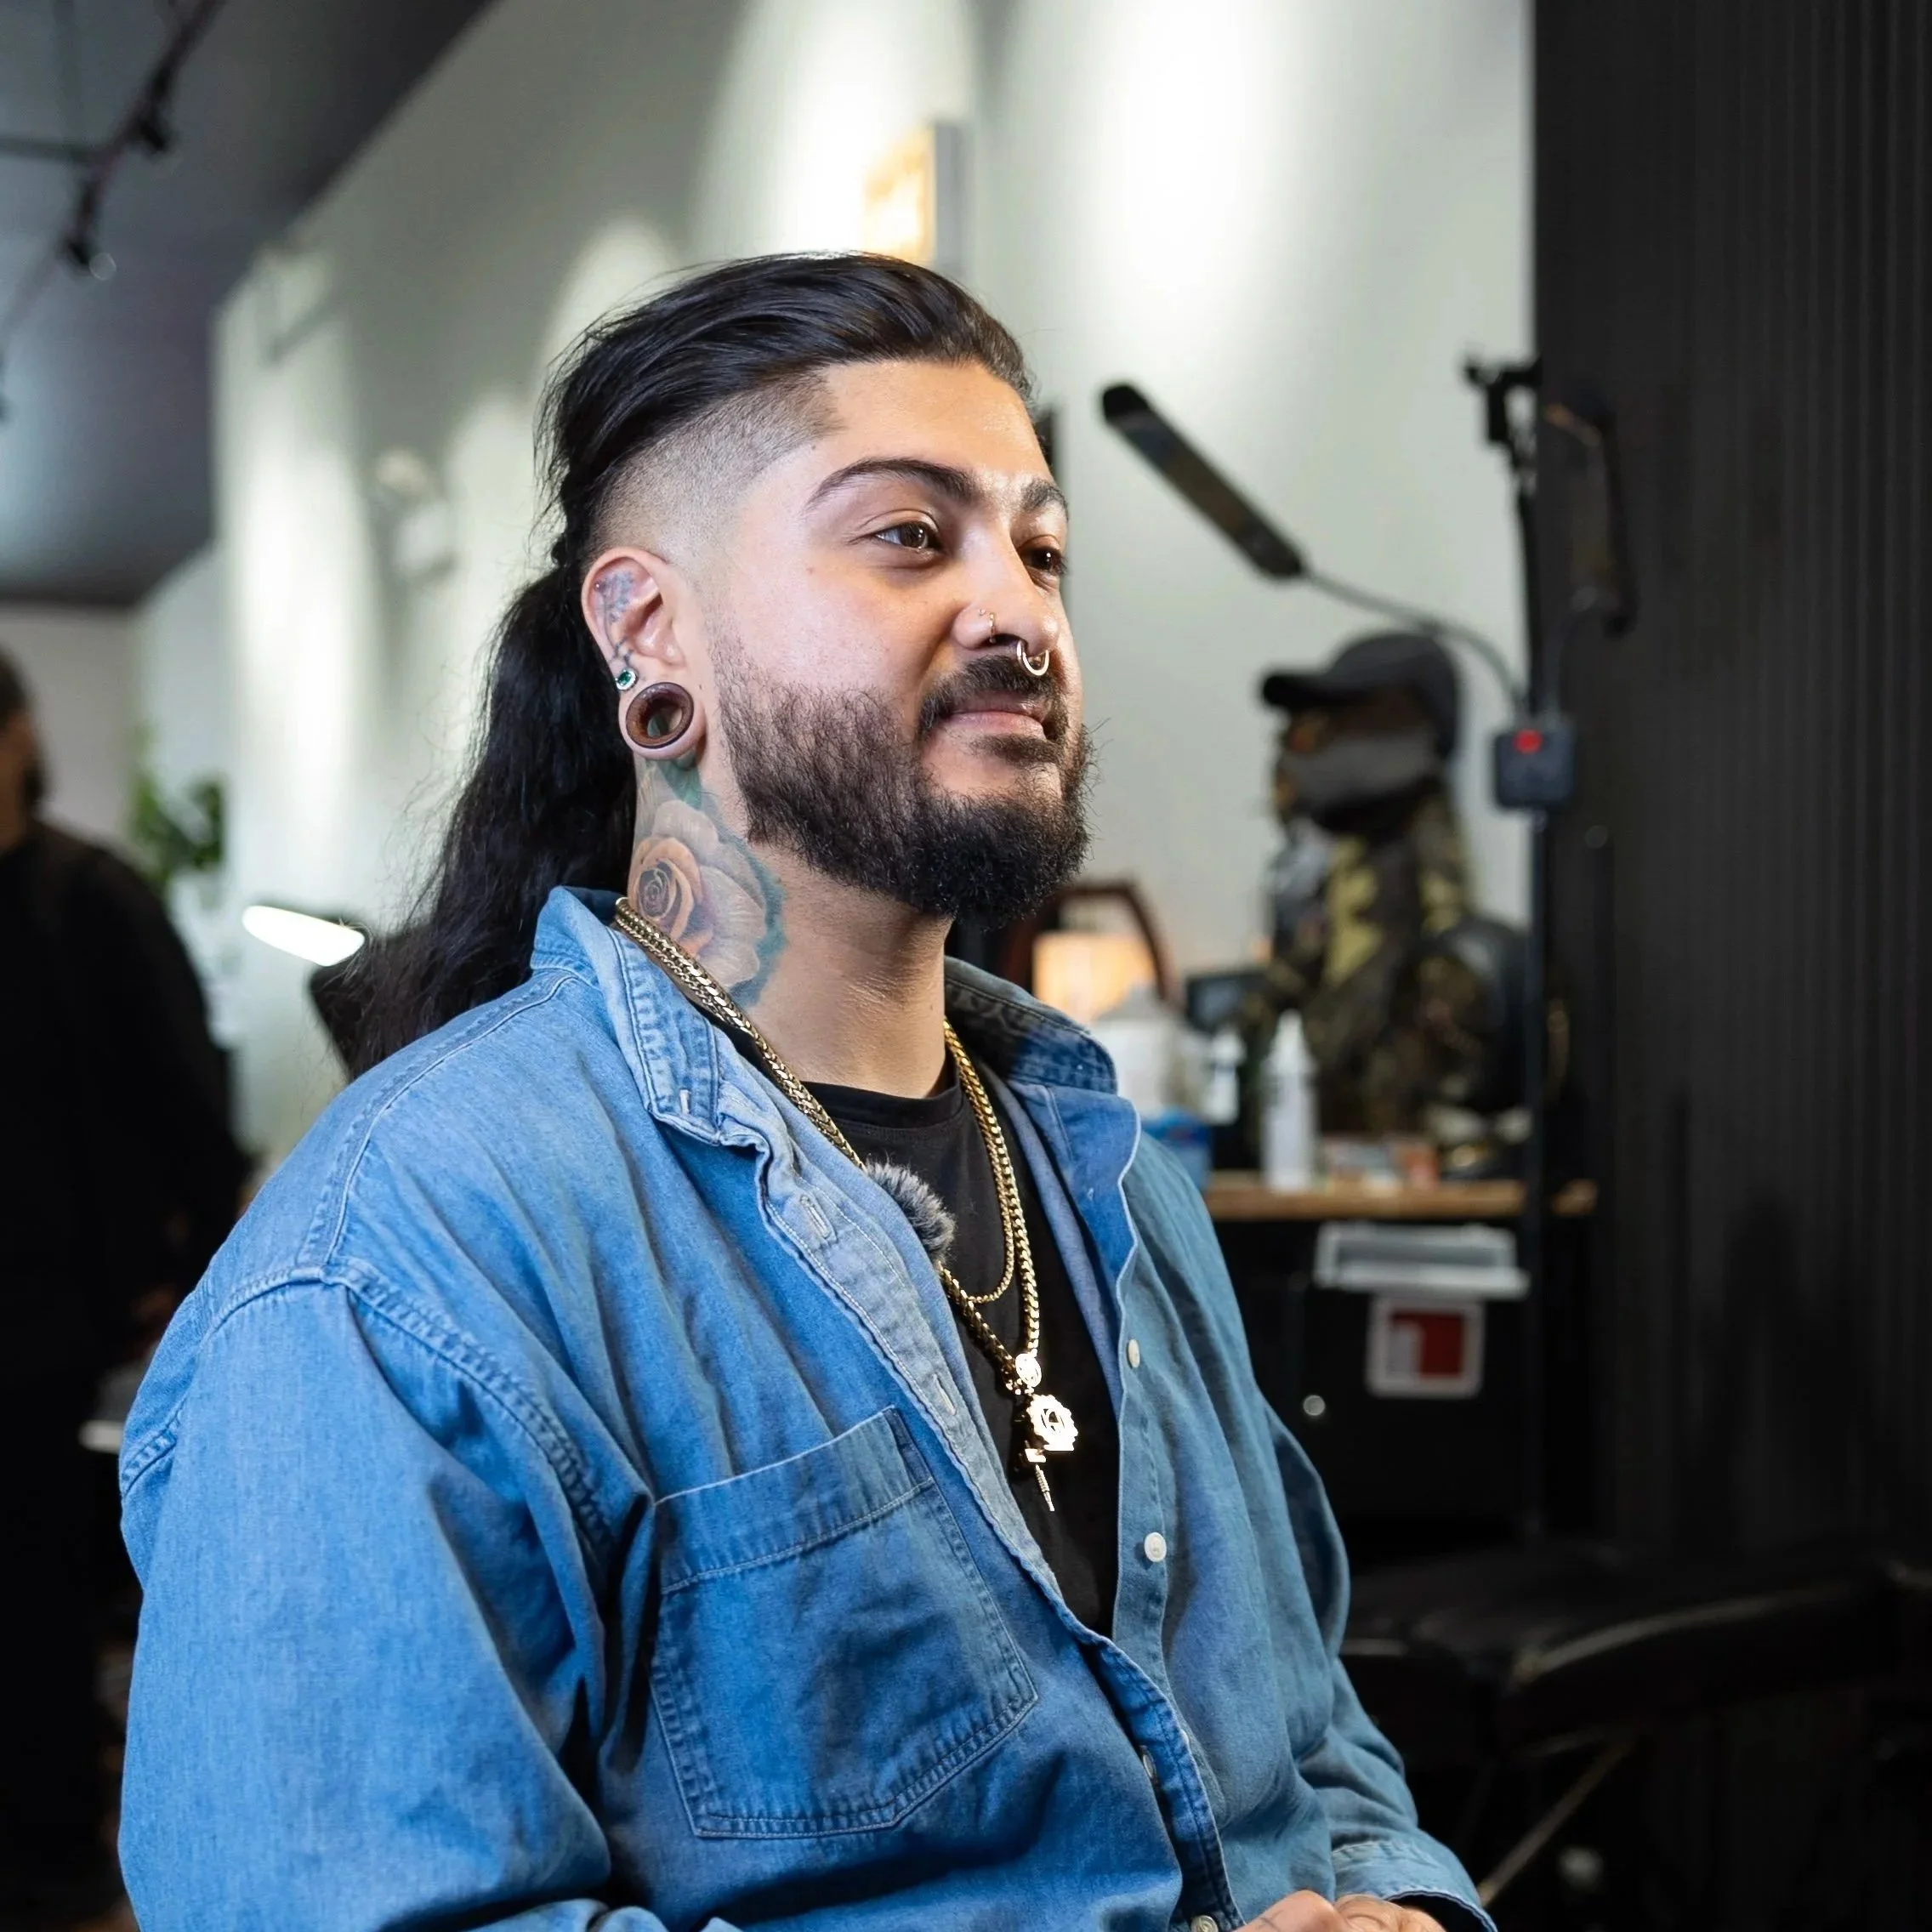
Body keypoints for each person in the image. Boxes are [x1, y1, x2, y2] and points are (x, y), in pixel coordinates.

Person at [119, 256, 1488, 1932]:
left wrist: (1398, 1905)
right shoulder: (411, 1256)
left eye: (1039, 546)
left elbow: (1307, 1738)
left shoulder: (1111, 1174)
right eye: (910, 534)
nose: (1016, 612)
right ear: (645, 628)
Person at [0, 650, 244, 1923]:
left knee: (36, 1602)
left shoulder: (88, 901)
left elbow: (191, 1114)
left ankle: (49, 1858)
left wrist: (200, 1299)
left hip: (48, 1328)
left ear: (17, 741)